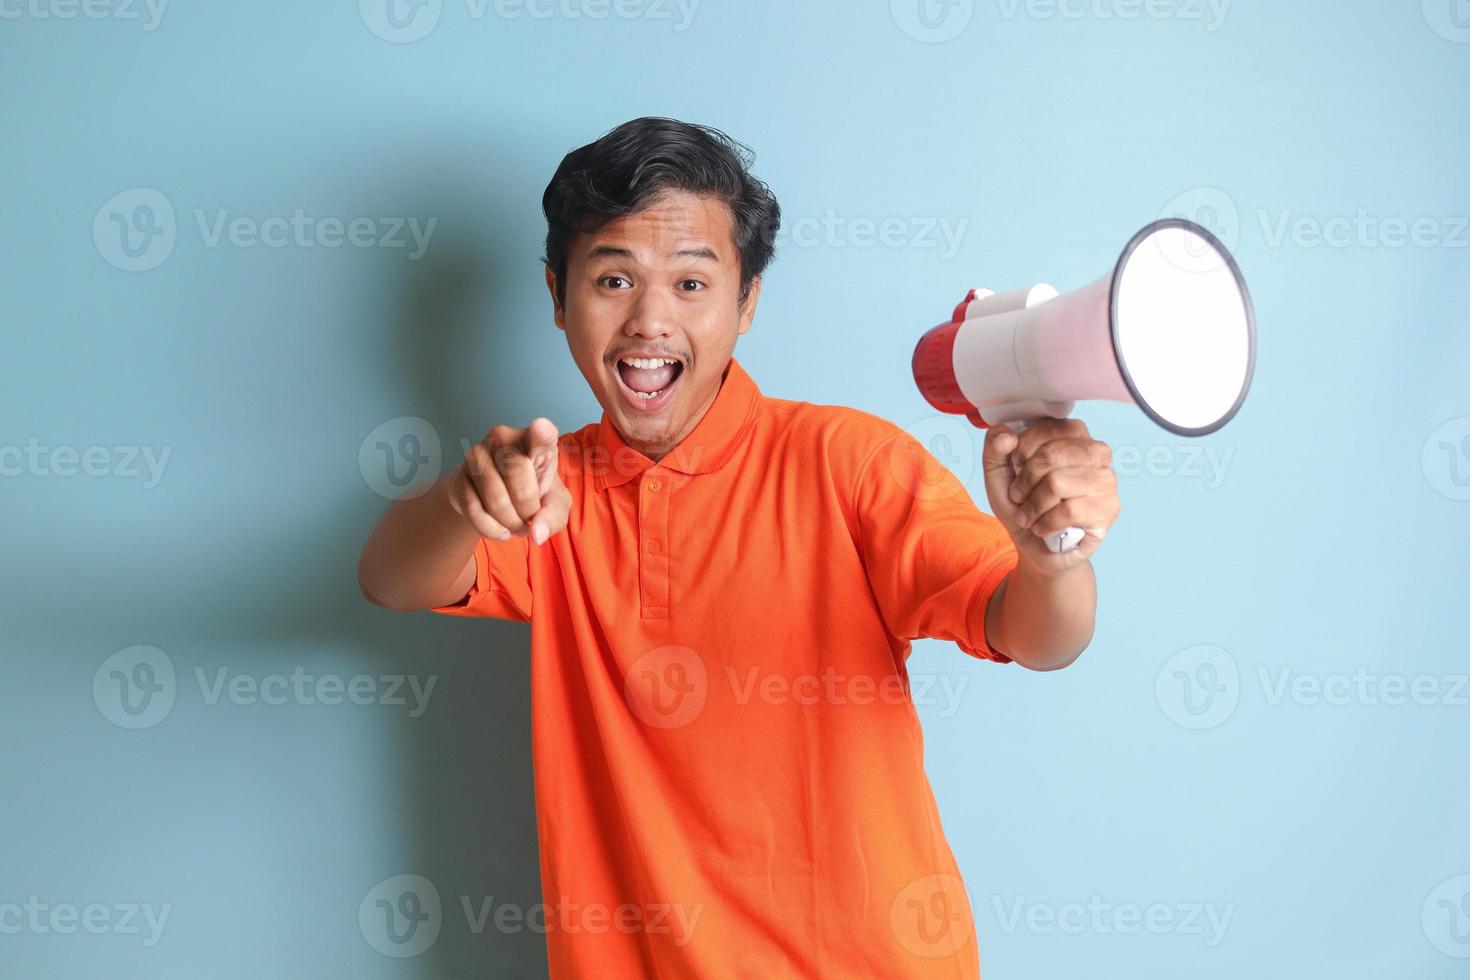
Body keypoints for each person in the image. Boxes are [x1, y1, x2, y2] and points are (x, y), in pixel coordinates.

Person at [357, 116, 1121, 978]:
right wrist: (467, 500)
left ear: (747, 301)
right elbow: (389, 579)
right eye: (613, 279)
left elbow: (1040, 635)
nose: (650, 320)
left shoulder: (850, 462)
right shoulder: (544, 488)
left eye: (691, 283)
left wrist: (1053, 559)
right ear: (557, 296)